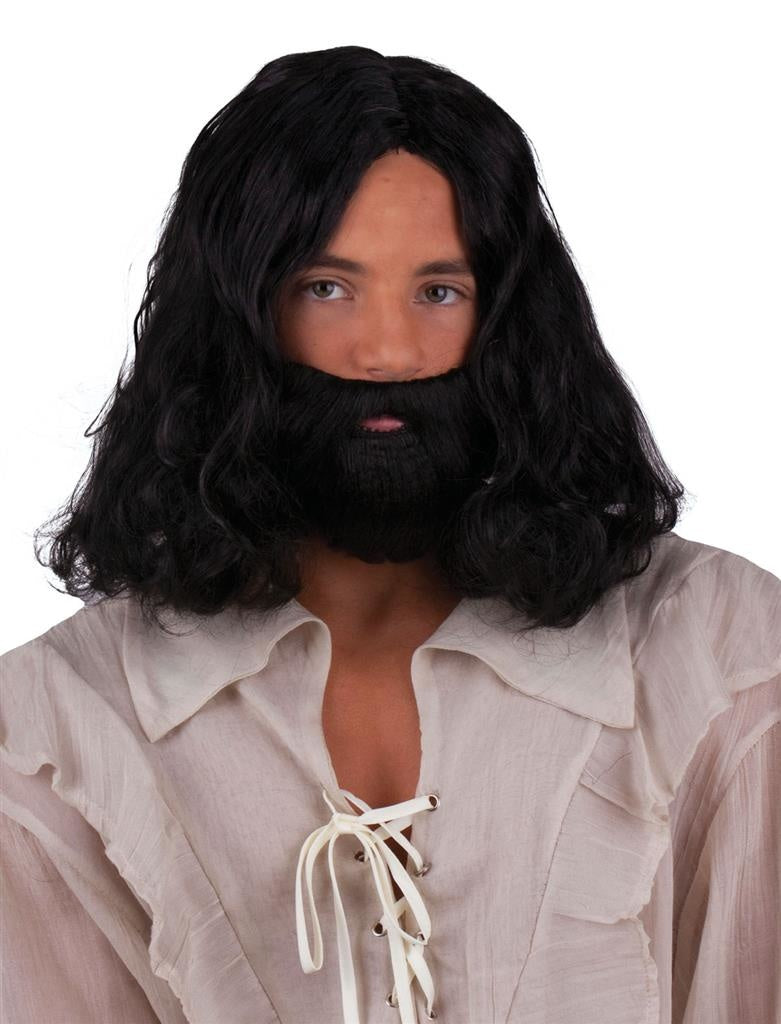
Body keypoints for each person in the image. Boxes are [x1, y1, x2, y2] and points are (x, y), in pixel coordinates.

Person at [1, 44, 779, 1024]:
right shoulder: (54, 733)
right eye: (326, 288)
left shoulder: (720, 661)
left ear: (508, 321)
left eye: (437, 291)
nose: (388, 351)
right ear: (236, 319)